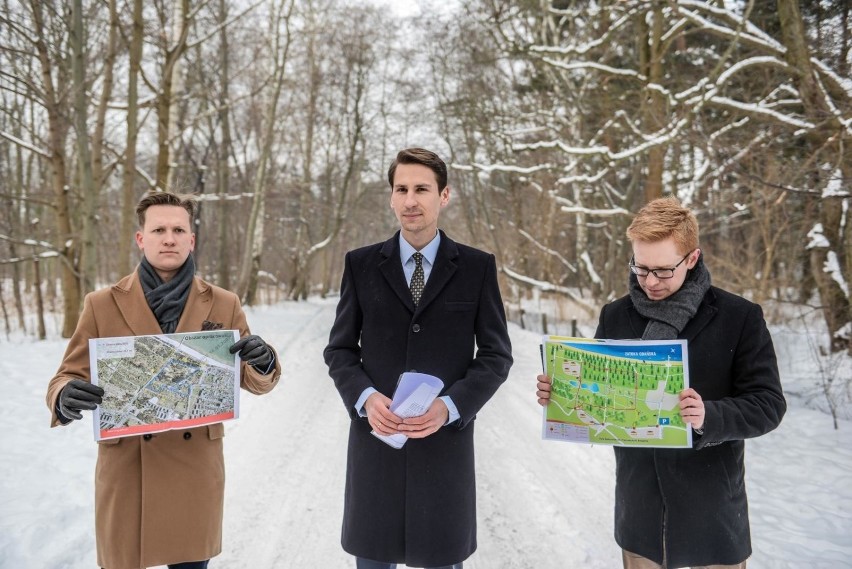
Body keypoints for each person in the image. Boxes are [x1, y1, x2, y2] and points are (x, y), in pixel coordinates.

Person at [536, 196, 786, 569]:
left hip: (711, 507)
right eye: (640, 268)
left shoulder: (739, 317)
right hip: (640, 506)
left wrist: (708, 416)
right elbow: (596, 392)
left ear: (692, 258)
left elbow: (768, 404)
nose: (650, 281)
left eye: (664, 270)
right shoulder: (615, 315)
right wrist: (561, 393)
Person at [45, 191, 282, 569]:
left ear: (192, 239)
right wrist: (63, 395)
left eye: (178, 229)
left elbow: (252, 379)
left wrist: (264, 361)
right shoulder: (101, 303)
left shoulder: (224, 302)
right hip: (127, 470)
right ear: (141, 238)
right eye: (158, 229)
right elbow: (67, 374)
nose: (168, 238)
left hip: (194, 471)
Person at [324, 148, 513, 569]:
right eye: (401, 189)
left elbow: (497, 356)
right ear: (391, 197)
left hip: (443, 450)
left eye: (422, 189)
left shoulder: (477, 268)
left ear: (443, 196)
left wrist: (451, 405)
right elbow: (339, 349)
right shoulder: (361, 265)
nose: (411, 200)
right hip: (377, 447)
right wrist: (366, 398)